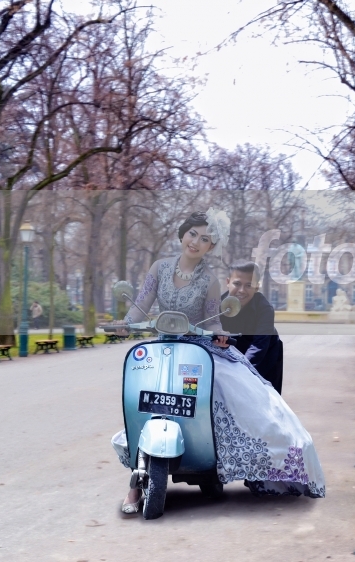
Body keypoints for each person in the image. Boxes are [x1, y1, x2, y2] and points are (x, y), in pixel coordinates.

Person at [111, 209, 325, 514]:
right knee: (144, 400)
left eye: (205, 239)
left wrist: (220, 334)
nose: (196, 242)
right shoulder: (159, 268)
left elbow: (213, 320)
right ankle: (135, 484)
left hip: (198, 349)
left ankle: (215, 457)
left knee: (236, 398)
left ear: (211, 246)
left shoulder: (210, 281)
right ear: (183, 234)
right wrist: (125, 322)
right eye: (193, 234)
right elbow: (141, 303)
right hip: (164, 347)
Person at [220, 261, 283, 395]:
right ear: (228, 282)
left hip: (264, 356)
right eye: (237, 284)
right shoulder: (216, 306)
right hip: (231, 354)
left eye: (248, 285)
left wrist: (240, 369)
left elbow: (259, 346)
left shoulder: (265, 309)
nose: (242, 290)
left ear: (256, 287)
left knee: (264, 398)